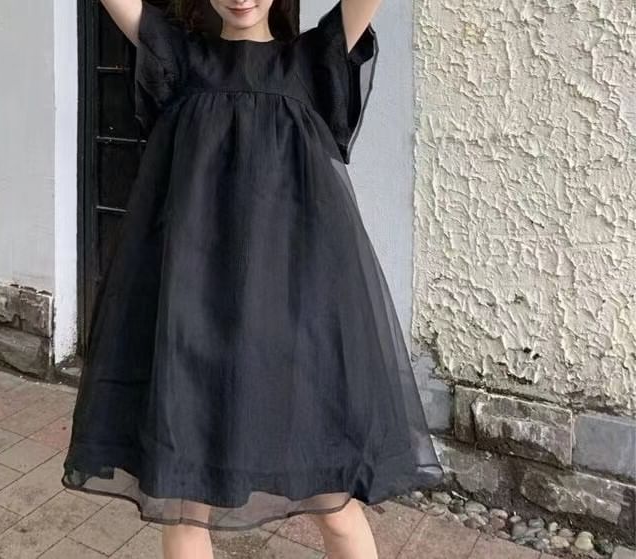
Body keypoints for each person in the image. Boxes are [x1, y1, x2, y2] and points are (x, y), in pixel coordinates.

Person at [62, 0, 445, 556]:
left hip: (295, 323)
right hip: (191, 321)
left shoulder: (312, 61)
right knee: (186, 507)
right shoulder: (180, 60)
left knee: (336, 506)